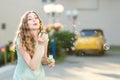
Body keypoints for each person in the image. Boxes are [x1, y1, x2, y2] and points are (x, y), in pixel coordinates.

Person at [12, 10, 55, 80]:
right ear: (25, 24)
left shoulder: (44, 36)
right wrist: (40, 44)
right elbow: (33, 66)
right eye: (30, 19)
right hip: (22, 78)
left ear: (39, 21)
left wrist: (49, 60)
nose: (34, 20)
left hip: (39, 77)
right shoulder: (20, 40)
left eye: (36, 17)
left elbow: (43, 58)